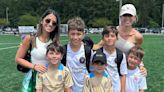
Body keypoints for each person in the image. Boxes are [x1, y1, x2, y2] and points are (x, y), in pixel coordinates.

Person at [93, 4, 146, 75]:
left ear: (134, 18)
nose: (127, 18)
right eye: (124, 15)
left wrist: (142, 66)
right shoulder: (112, 33)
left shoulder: (138, 36)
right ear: (120, 17)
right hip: (111, 70)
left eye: (130, 16)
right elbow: (98, 46)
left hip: (127, 71)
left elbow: (138, 53)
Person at [15, 9, 60, 92]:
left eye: (54, 23)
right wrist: (34, 66)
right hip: (33, 78)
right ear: (42, 21)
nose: (50, 24)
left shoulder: (55, 42)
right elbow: (18, 58)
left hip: (49, 79)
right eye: (48, 20)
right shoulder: (30, 38)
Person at [61, 17, 92, 92]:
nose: (75, 37)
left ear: (83, 34)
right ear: (68, 34)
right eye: (72, 34)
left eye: (78, 34)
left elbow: (92, 71)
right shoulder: (63, 50)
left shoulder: (87, 51)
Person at [96, 26, 127, 92]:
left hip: (116, 89)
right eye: (107, 36)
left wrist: (123, 90)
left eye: (112, 36)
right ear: (103, 38)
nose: (109, 38)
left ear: (117, 38)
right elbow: (92, 72)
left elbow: (123, 75)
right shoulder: (97, 53)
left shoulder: (121, 55)